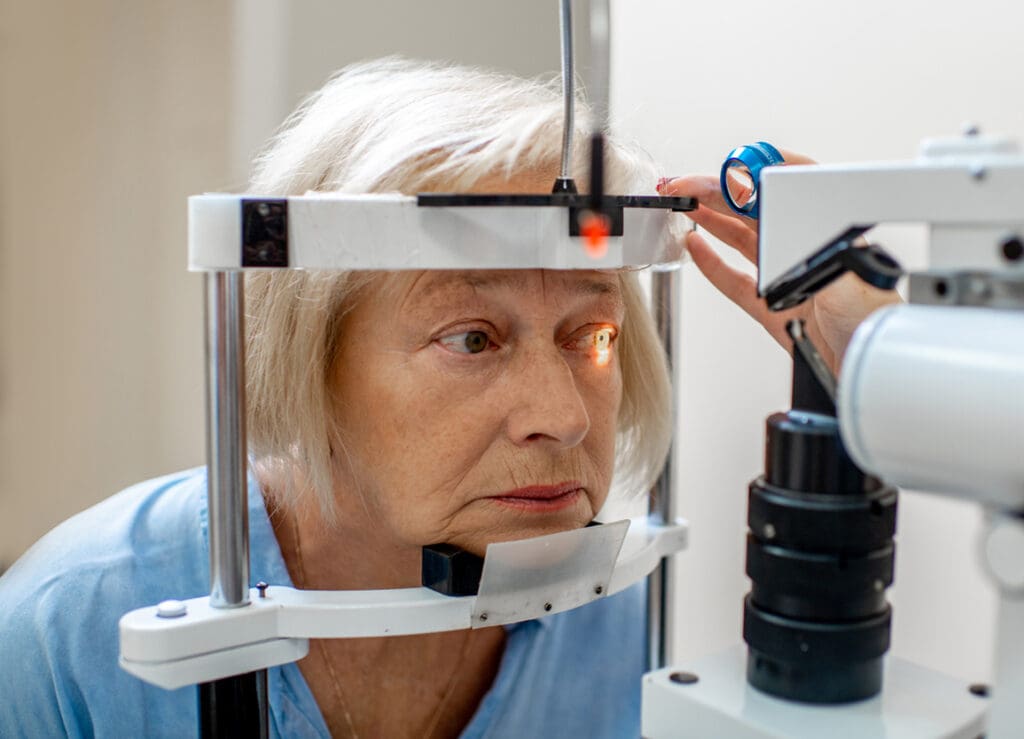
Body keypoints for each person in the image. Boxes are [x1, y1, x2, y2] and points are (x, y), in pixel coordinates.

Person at [0, 57, 892, 738]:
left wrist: (884, 363)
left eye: (593, 338)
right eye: (471, 337)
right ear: (312, 356)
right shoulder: (67, 635)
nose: (565, 415)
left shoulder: (623, 633)